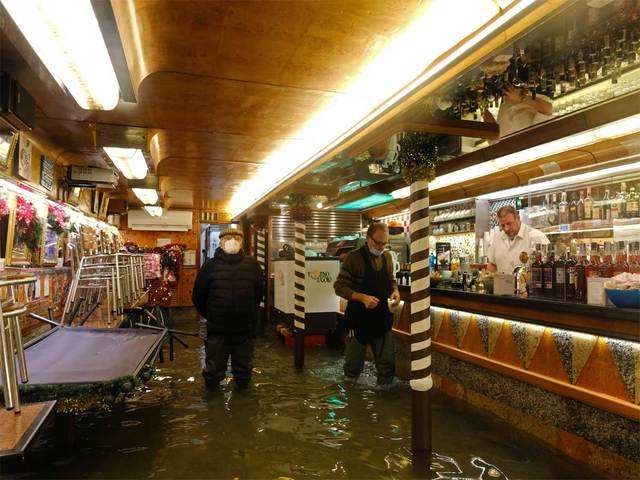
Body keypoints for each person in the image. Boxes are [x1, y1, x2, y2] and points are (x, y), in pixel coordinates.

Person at [192, 228, 264, 389]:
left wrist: (249, 312)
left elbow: (259, 292)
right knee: (213, 371)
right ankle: (213, 407)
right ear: (221, 241)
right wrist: (212, 314)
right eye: (228, 238)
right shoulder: (210, 266)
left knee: (244, 371)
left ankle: (244, 407)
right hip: (218, 329)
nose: (232, 241)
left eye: (236, 238)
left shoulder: (252, 265)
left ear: (242, 242)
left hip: (245, 328)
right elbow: (198, 296)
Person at [334, 223, 401, 386]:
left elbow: (391, 280)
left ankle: (384, 401)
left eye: (384, 243)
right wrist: (361, 297)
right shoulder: (353, 258)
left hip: (382, 319)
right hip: (358, 320)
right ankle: (352, 401)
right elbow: (339, 287)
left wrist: (395, 291)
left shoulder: (387, 257)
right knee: (353, 366)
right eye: (377, 242)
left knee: (387, 364)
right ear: (368, 239)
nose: (381, 246)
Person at [486, 205, 549, 274]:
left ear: (518, 218)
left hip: (528, 284)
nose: (506, 228)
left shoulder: (537, 237)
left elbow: (547, 270)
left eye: (509, 224)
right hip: (502, 284)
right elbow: (492, 265)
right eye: (503, 225)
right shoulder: (497, 238)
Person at [483, 83, 553, 141]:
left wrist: (483, 107)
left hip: (507, 93)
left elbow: (491, 128)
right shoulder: (535, 140)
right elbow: (547, 109)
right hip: (534, 89)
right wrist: (521, 97)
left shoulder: (501, 148)